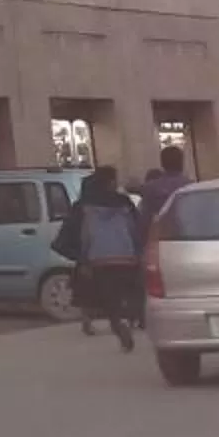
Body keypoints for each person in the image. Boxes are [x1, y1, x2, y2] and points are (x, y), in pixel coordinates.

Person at [56, 166, 147, 351]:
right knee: (130, 290)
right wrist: (139, 251)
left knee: (109, 299)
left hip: (99, 260)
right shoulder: (123, 202)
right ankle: (133, 316)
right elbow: (137, 229)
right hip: (127, 257)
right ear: (111, 182)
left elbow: (67, 236)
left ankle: (117, 326)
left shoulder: (83, 205)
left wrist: (80, 257)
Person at [136, 144, 190, 232]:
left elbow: (145, 219)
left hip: (162, 236)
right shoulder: (191, 186)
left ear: (162, 164)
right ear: (181, 162)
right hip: (188, 234)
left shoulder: (150, 188)